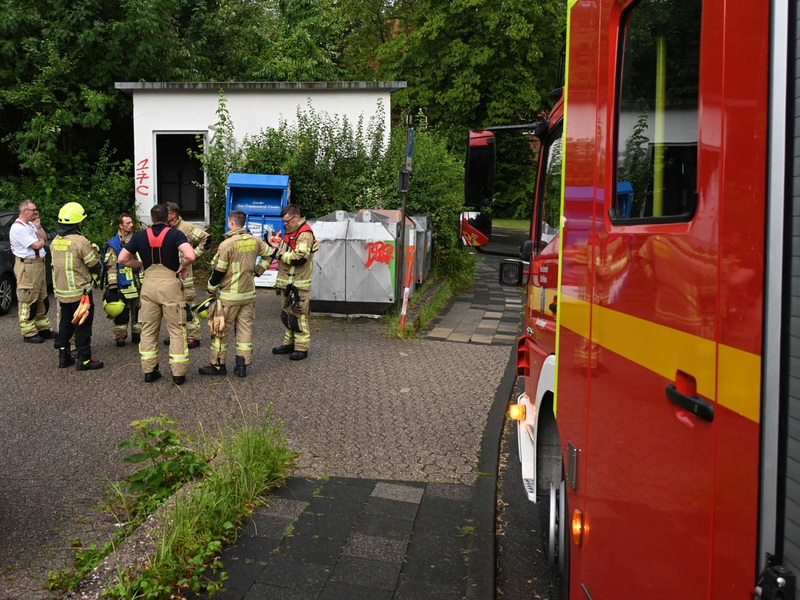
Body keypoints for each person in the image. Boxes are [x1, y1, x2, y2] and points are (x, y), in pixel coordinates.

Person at [118, 204, 196, 385]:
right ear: (168, 218)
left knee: (148, 330)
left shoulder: (139, 236)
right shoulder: (176, 234)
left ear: (151, 219)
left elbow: (122, 259)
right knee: (176, 330)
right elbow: (190, 255)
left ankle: (149, 371)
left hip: (149, 285)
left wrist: (140, 265)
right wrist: (182, 265)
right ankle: (178, 374)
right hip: (170, 286)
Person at [198, 210, 270, 378]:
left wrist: (210, 291)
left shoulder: (227, 245)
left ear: (231, 223)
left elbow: (218, 272)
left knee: (220, 330)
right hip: (248, 295)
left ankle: (217, 365)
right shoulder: (255, 241)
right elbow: (270, 255)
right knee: (245, 330)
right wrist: (258, 271)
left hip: (229, 297)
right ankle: (242, 365)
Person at [51, 202, 104, 370]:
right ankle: (84, 360)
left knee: (65, 324)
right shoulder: (80, 242)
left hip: (62, 293)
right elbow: (94, 265)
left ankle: (63, 357)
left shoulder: (55, 241)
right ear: (77, 222)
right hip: (81, 295)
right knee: (82, 326)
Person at [266, 204, 318, 361]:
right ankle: (289, 344)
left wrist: (279, 255)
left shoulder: (304, 233)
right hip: (287, 284)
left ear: (296, 218)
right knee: (287, 315)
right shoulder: (290, 232)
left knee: (299, 317)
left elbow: (300, 258)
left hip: (298, 284)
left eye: (287, 221)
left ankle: (301, 348)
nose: (285, 224)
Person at [164, 202, 211, 348]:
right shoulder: (165, 227)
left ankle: (193, 336)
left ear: (173, 214)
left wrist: (193, 256)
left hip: (185, 275)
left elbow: (206, 239)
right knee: (172, 306)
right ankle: (177, 335)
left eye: (166, 212)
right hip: (170, 273)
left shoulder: (185, 227)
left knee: (188, 305)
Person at [9, 199, 54, 342]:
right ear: (24, 211)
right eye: (33, 210)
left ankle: (43, 328)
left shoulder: (30, 225)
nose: (36, 212)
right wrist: (40, 242)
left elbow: (44, 238)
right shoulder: (18, 228)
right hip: (27, 266)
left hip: (38, 264)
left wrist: (38, 227)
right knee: (28, 299)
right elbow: (36, 245)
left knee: (41, 297)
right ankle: (28, 332)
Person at [102, 214, 142, 347]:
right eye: (128, 223)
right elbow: (111, 266)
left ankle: (137, 334)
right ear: (121, 226)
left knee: (139, 310)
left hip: (138, 283)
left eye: (131, 222)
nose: (131, 225)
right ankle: (120, 336)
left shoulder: (138, 239)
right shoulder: (114, 244)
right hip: (122, 284)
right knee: (122, 312)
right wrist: (113, 286)